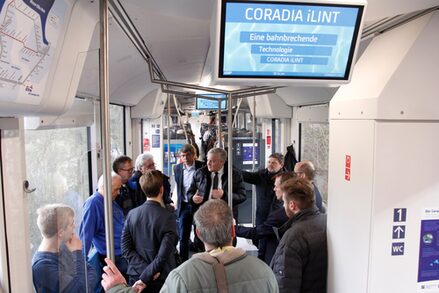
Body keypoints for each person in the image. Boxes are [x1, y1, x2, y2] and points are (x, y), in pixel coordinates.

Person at [102, 200, 279, 293]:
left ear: (199, 234)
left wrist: (117, 289)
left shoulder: (182, 277)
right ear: (233, 231)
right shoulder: (264, 271)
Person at [122, 170, 179, 292]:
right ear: (161, 189)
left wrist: (145, 270)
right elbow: (163, 255)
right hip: (161, 278)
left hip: (136, 275)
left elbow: (126, 249)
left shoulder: (131, 214)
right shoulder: (168, 217)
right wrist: (149, 273)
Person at [270, 177, 327, 293]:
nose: (283, 206)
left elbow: (285, 285)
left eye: (284, 203)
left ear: (292, 205)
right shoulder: (326, 222)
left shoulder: (293, 237)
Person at [32, 204, 97, 292]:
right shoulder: (43, 267)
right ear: (61, 232)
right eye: (72, 224)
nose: (74, 227)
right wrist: (77, 252)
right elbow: (82, 290)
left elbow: (91, 271)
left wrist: (83, 285)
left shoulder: (63, 247)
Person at [79, 172, 127, 288]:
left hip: (124, 253)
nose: (118, 193)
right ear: (104, 187)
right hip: (114, 257)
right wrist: (80, 266)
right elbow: (85, 236)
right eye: (116, 190)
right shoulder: (93, 204)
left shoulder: (110, 200)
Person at [236, 172, 294, 264]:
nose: (274, 189)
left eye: (276, 186)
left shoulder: (280, 215)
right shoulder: (296, 210)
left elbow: (257, 232)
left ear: (285, 188)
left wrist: (233, 228)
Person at [241, 153, 285, 260]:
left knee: (270, 246)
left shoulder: (285, 179)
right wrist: (230, 168)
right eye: (269, 162)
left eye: (274, 163)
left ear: (281, 165)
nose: (270, 165)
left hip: (276, 218)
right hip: (261, 214)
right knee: (260, 242)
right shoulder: (262, 174)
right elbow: (247, 176)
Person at [173, 144, 203, 261]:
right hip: (184, 205)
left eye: (187, 155)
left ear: (193, 155)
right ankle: (183, 262)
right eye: (182, 156)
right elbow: (179, 187)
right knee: (183, 236)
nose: (185, 158)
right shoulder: (178, 168)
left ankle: (201, 260)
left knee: (200, 234)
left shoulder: (201, 166)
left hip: (199, 206)